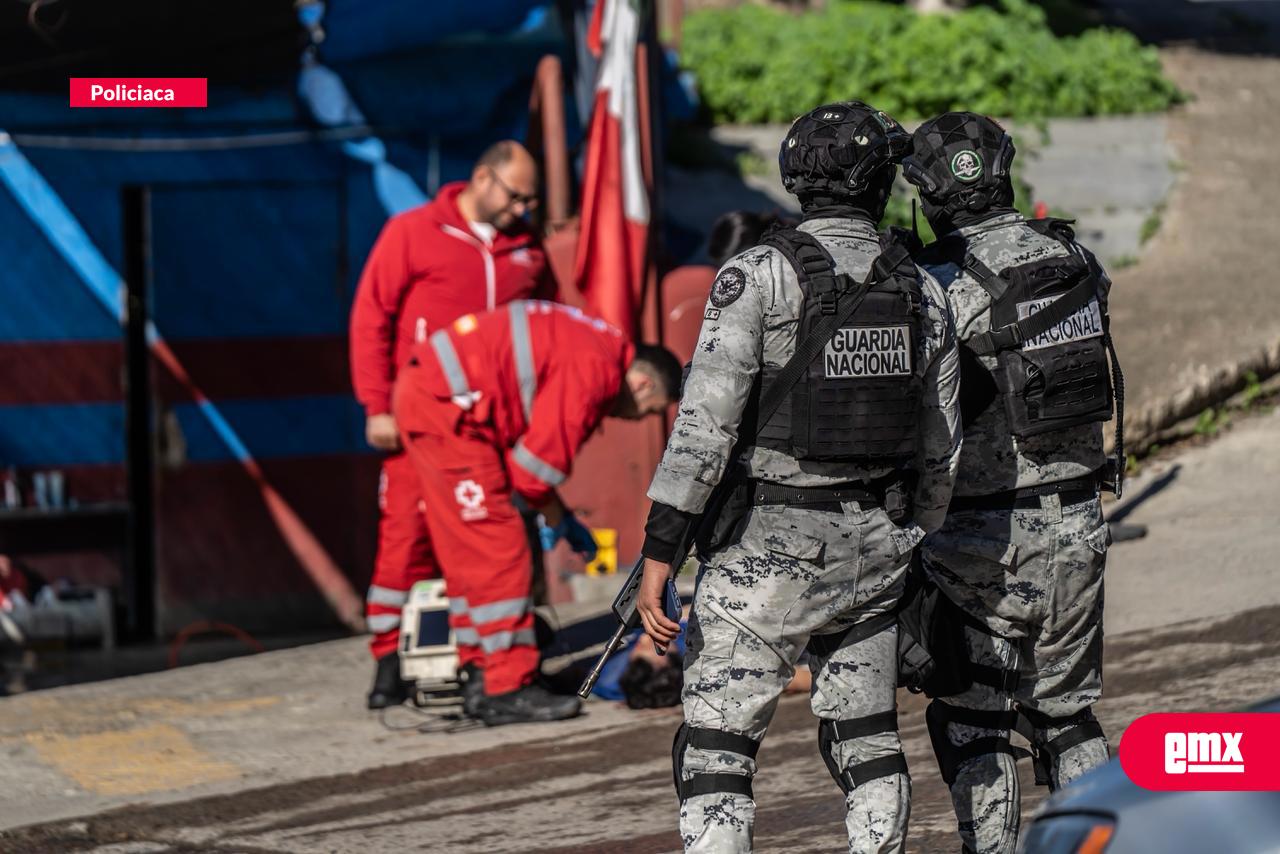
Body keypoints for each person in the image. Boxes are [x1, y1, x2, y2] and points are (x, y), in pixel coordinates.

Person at [636, 101, 962, 853]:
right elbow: (940, 447)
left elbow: (701, 434)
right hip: (878, 548)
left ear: (795, 177)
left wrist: (661, 555)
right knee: (868, 739)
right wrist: (913, 534)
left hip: (765, 553)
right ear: (881, 183)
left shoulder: (756, 276)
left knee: (716, 750)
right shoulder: (922, 289)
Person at [903, 112, 1120, 854]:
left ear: (927, 196)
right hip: (1080, 521)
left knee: (976, 721)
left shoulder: (935, 286)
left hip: (980, 539)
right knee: (1068, 716)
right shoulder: (1078, 259)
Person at [393, 300, 681, 725]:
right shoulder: (596, 368)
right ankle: (507, 687)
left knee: (470, 552)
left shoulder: (594, 344)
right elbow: (532, 474)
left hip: (445, 404)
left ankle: (482, 671)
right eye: (652, 409)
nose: (640, 419)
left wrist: (557, 515)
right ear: (641, 384)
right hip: (450, 413)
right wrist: (559, 517)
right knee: (499, 549)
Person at [349, 140, 557, 710]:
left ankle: (477, 664)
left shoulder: (527, 249)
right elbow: (371, 320)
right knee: (404, 542)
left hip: (492, 432)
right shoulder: (412, 233)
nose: (524, 210)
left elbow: (546, 325)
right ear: (483, 178)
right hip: (417, 423)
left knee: (477, 547)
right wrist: (377, 407)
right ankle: (388, 659)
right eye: (517, 196)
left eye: (532, 201)